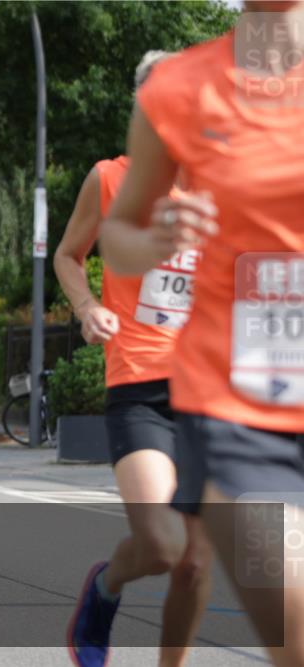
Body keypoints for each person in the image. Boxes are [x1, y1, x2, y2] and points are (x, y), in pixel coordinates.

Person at [99, 5, 304, 664]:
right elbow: (116, 237)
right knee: (290, 617)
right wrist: (155, 238)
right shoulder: (181, 87)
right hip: (239, 408)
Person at [56, 52, 213, 667]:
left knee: (195, 561)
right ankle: (104, 587)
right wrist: (88, 307)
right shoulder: (111, 179)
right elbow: (69, 255)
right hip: (141, 383)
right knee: (161, 544)